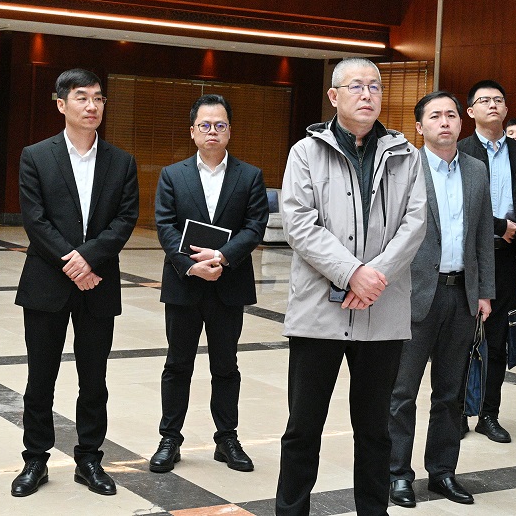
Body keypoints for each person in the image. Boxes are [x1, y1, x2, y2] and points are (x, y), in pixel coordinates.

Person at [277, 58, 427, 516]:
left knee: (375, 430)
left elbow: (415, 223)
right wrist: (351, 273)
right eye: (356, 86)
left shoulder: (406, 154)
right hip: (319, 312)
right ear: (334, 96)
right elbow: (299, 224)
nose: (367, 94)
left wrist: (373, 276)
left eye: (375, 87)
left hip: (382, 311)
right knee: (303, 428)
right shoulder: (306, 152)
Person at [10, 69, 139, 498]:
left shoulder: (121, 161)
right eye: (82, 97)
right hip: (47, 282)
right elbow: (35, 219)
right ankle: (35, 459)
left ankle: (89, 459)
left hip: (97, 283)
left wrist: (90, 259)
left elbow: (125, 219)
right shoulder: (36, 155)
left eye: (98, 98)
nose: (92, 106)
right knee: (40, 378)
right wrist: (74, 261)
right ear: (61, 104)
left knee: (94, 379)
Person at [151, 94, 269, 473]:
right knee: (177, 365)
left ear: (230, 131)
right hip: (184, 285)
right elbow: (165, 227)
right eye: (205, 125)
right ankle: (170, 439)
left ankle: (227, 439)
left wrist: (222, 256)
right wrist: (191, 266)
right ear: (193, 131)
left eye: (220, 125)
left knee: (226, 366)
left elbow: (255, 226)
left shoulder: (249, 176)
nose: (212, 131)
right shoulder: (173, 175)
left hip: (228, 285)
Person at [388, 91, 494, 508]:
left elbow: (482, 234)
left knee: (450, 394)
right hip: (413, 296)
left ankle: (443, 472)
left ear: (461, 122)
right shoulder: (404, 168)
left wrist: (485, 291)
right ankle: (397, 474)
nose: (445, 122)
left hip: (461, 295)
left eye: (451, 114)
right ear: (420, 127)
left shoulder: (476, 170)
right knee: (401, 394)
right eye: (435, 116)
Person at [457, 80, 516, 444]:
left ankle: (489, 413)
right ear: (471, 111)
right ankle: (458, 410)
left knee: (498, 339)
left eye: (498, 100)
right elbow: (457, 206)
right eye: (484, 100)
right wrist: (498, 226)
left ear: (506, 109)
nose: (493, 105)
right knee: (461, 338)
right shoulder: (460, 151)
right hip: (467, 257)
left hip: (507, 259)